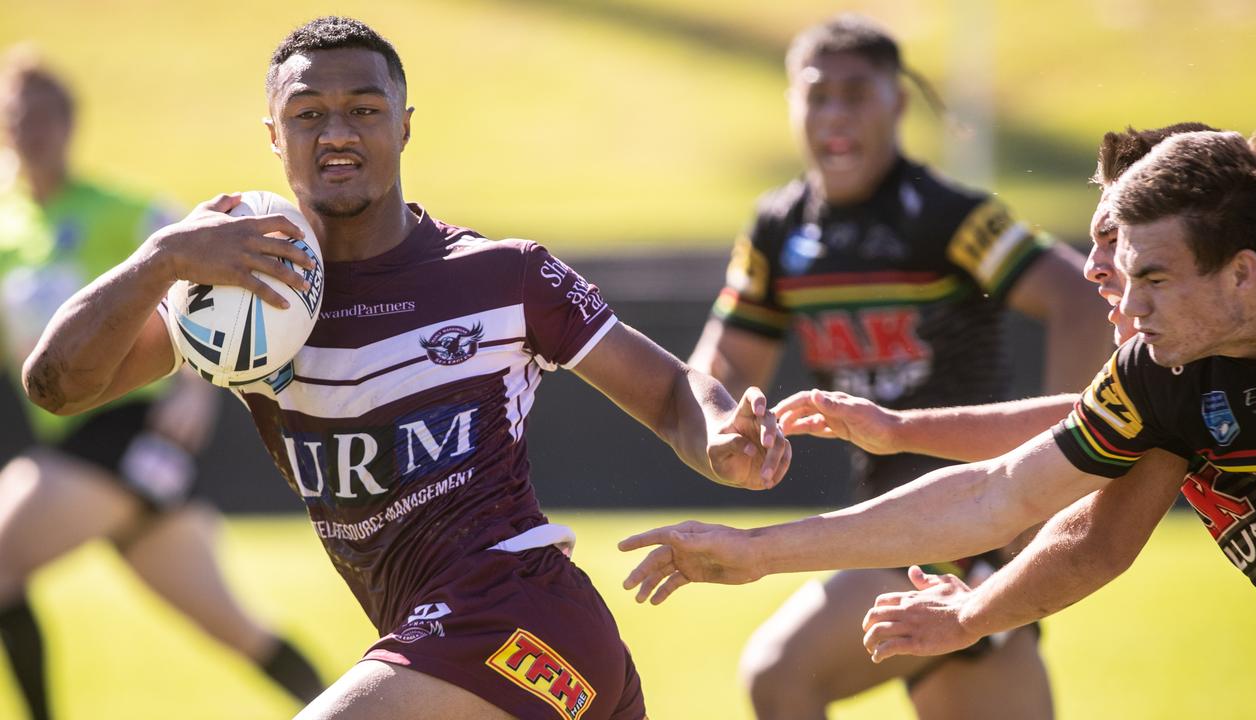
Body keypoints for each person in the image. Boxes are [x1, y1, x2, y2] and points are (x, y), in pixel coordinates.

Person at [20, 17, 791, 720]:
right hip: (448, 655)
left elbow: (667, 392)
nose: (337, 133)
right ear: (273, 135)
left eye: (364, 108)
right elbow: (58, 386)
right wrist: (161, 259)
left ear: (405, 125)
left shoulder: (504, 277)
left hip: (521, 621)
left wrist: (721, 433)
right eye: (307, 113)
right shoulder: (246, 298)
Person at [621, 129, 1256, 661]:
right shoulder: (1162, 370)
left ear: (1240, 272)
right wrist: (757, 550)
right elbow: (1004, 492)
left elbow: (1086, 531)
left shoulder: (1166, 359)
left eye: (1148, 269)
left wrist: (971, 610)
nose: (1102, 277)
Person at [686, 14, 1109, 719]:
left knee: (778, 674)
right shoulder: (778, 227)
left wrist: (1055, 475)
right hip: (897, 520)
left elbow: (1082, 303)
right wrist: (726, 423)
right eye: (817, 96)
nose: (835, 115)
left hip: (967, 513)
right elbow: (726, 359)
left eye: (856, 93)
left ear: (899, 104)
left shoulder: (947, 215)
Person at [0, 51, 326, 717]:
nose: (30, 132)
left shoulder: (125, 210)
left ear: (69, 124)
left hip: (127, 433)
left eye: (43, 117)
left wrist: (191, 394)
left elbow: (204, 290)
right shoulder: (5, 229)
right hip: (78, 446)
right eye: (15, 119)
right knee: (238, 630)